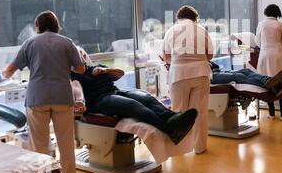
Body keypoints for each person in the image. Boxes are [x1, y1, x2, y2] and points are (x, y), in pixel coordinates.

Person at [2, 10, 85, 173]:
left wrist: (2, 74)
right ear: (56, 25)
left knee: (40, 146)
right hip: (62, 97)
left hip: (37, 98)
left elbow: (8, 71)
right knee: (66, 143)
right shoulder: (67, 43)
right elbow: (80, 68)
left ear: (37, 26)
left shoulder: (29, 43)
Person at [70, 59, 198, 145]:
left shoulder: (97, 68)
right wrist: (80, 101)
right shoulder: (74, 76)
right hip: (99, 101)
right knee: (132, 105)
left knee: (147, 98)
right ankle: (169, 129)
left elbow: (121, 73)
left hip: (115, 91)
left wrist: (106, 70)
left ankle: (173, 117)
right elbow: (76, 88)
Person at [163, 5, 213, 154]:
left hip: (179, 74)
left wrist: (178, 61)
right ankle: (199, 147)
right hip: (201, 73)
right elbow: (210, 55)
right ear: (195, 17)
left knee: (178, 112)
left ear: (179, 18)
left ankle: (180, 147)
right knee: (200, 112)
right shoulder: (202, 30)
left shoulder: (171, 31)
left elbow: (166, 56)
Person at [255, 4, 282, 120]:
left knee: (267, 82)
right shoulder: (281, 25)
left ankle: (271, 113)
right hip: (278, 54)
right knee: (281, 83)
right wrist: (278, 47)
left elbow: (258, 41)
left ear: (266, 12)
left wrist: (265, 46)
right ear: (277, 13)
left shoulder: (261, 24)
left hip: (265, 54)